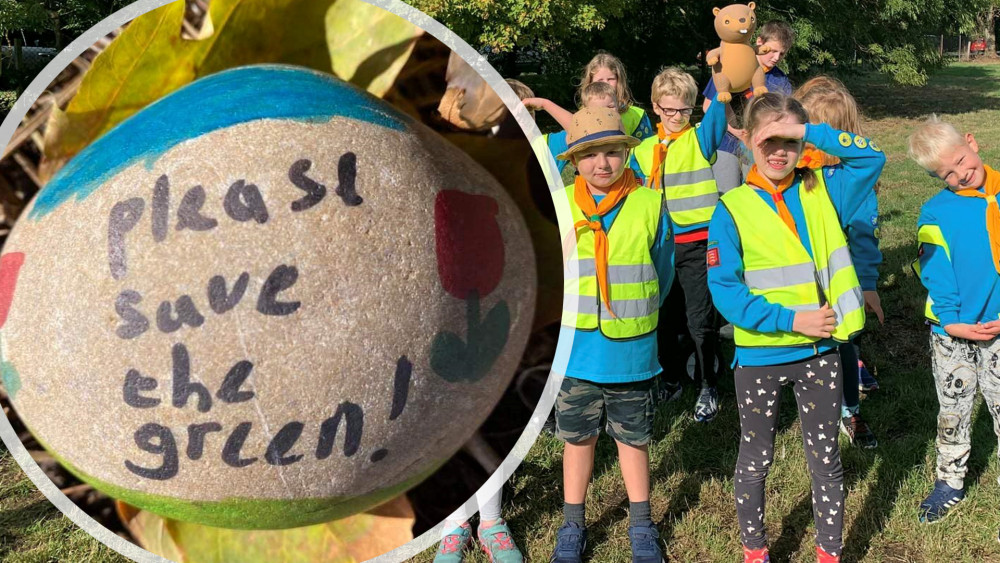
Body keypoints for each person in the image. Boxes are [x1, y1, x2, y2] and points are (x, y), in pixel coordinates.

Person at [707, 93, 886, 563]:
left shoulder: (824, 188)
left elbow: (872, 155)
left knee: (825, 461)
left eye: (789, 141)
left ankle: (830, 552)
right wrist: (792, 320)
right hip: (760, 358)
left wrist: (807, 131)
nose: (779, 151)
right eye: (768, 141)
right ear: (746, 140)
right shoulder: (731, 209)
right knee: (756, 459)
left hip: (820, 355)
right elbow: (726, 292)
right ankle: (756, 551)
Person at [550, 107, 674, 563]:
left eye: (611, 153)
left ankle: (641, 524)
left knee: (633, 438)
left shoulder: (649, 203)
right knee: (577, 439)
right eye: (590, 155)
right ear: (574, 161)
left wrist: (638, 313)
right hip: (576, 350)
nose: (601, 164)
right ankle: (572, 524)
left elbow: (663, 270)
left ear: (626, 153)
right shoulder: (559, 205)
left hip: (631, 352)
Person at [909, 116, 1000, 529]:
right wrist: (951, 321)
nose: (960, 175)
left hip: (998, 327)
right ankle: (950, 480)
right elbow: (936, 273)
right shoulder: (936, 212)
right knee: (953, 408)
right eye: (946, 174)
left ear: (971, 141)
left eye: (961, 161)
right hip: (952, 333)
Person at [628, 67, 727, 422]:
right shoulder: (641, 150)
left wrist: (721, 75)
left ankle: (707, 385)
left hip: (697, 243)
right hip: (659, 246)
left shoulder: (699, 138)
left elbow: (717, 112)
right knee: (664, 317)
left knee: (699, 316)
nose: (675, 117)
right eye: (668, 110)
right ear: (656, 107)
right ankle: (669, 378)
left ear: (692, 110)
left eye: (683, 110)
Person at [793, 77, 882, 449]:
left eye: (812, 129)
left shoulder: (849, 180)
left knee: (843, 344)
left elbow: (863, 239)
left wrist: (869, 284)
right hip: (793, 279)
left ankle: (849, 409)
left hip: (834, 279)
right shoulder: (790, 170)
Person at [702, 20, 796, 193]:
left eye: (781, 54)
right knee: (727, 195)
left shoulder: (780, 81)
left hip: (759, 149)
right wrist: (734, 130)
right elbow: (707, 107)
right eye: (772, 51)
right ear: (759, 42)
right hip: (725, 145)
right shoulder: (730, 66)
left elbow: (786, 117)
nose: (776, 58)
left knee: (755, 194)